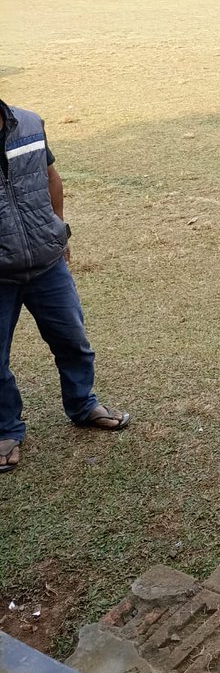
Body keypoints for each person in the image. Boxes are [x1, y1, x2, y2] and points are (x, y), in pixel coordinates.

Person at [0, 100, 130, 474]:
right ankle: (6, 429)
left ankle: (83, 404)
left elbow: (50, 176)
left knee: (73, 340)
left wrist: (56, 228)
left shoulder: (27, 123)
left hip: (46, 262)